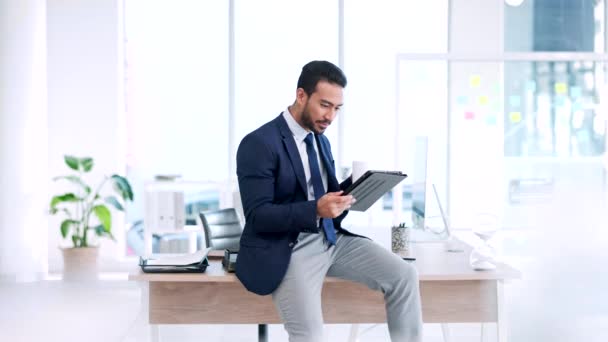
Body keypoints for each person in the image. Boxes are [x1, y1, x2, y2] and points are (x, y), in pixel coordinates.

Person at [235, 60, 423, 342]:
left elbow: (325, 195)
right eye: (324, 105)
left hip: (331, 239)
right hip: (289, 247)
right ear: (301, 95)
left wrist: (359, 187)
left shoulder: (320, 140)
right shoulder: (259, 143)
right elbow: (258, 215)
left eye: (337, 108)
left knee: (404, 275)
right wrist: (315, 210)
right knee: (310, 335)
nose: (330, 116)